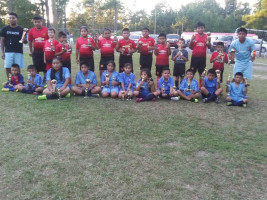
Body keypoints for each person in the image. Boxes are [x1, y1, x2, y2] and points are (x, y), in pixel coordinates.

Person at [0, 12, 26, 79]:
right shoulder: (5, 29)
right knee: (8, 67)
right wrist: (2, 52)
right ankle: (9, 80)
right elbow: (2, 41)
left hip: (18, 51)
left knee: (17, 67)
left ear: (17, 19)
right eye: (10, 18)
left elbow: (25, 42)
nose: (11, 19)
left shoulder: (21, 29)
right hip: (8, 51)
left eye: (13, 18)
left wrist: (24, 39)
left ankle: (18, 80)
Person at [28, 15, 49, 81]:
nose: (37, 23)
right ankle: (37, 78)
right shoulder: (31, 30)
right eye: (35, 22)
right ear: (33, 23)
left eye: (38, 22)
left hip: (45, 51)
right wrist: (31, 51)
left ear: (41, 22)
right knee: (36, 65)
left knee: (45, 65)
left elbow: (50, 39)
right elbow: (30, 41)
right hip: (36, 51)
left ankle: (45, 78)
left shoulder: (46, 29)